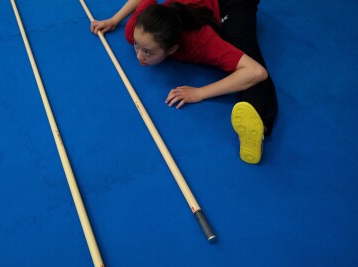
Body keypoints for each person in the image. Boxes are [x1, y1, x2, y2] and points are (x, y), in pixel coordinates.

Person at [90, 0, 277, 164]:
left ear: (172, 50)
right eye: (138, 46)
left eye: (148, 52)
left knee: (246, 52)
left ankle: (258, 125)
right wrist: (114, 20)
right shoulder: (136, 31)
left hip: (230, 3)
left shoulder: (200, 42)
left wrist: (200, 92)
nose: (139, 56)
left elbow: (256, 72)